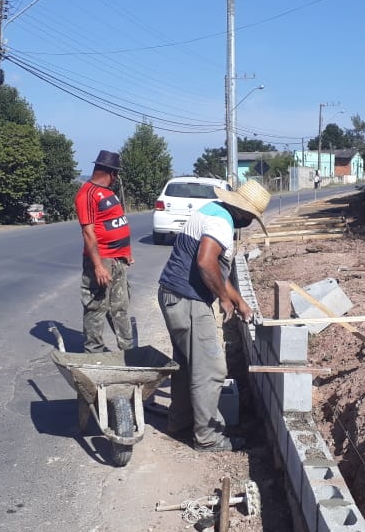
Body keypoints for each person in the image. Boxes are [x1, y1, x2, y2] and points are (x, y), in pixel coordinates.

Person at [157, 180, 271, 452]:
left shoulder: (213, 211)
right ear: (243, 212)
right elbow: (206, 263)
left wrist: (239, 301)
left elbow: (215, 271)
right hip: (188, 301)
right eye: (252, 218)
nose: (250, 223)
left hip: (175, 295)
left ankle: (181, 422)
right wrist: (223, 298)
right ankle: (208, 437)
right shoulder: (221, 222)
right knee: (211, 368)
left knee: (188, 365)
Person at [75, 150, 134, 353]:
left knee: (120, 306)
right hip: (101, 261)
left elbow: (116, 222)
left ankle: (129, 351)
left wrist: (125, 251)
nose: (116, 178)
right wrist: (99, 266)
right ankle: (94, 353)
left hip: (118, 259)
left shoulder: (109, 193)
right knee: (96, 306)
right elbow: (89, 233)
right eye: (116, 174)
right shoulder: (87, 194)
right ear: (111, 173)